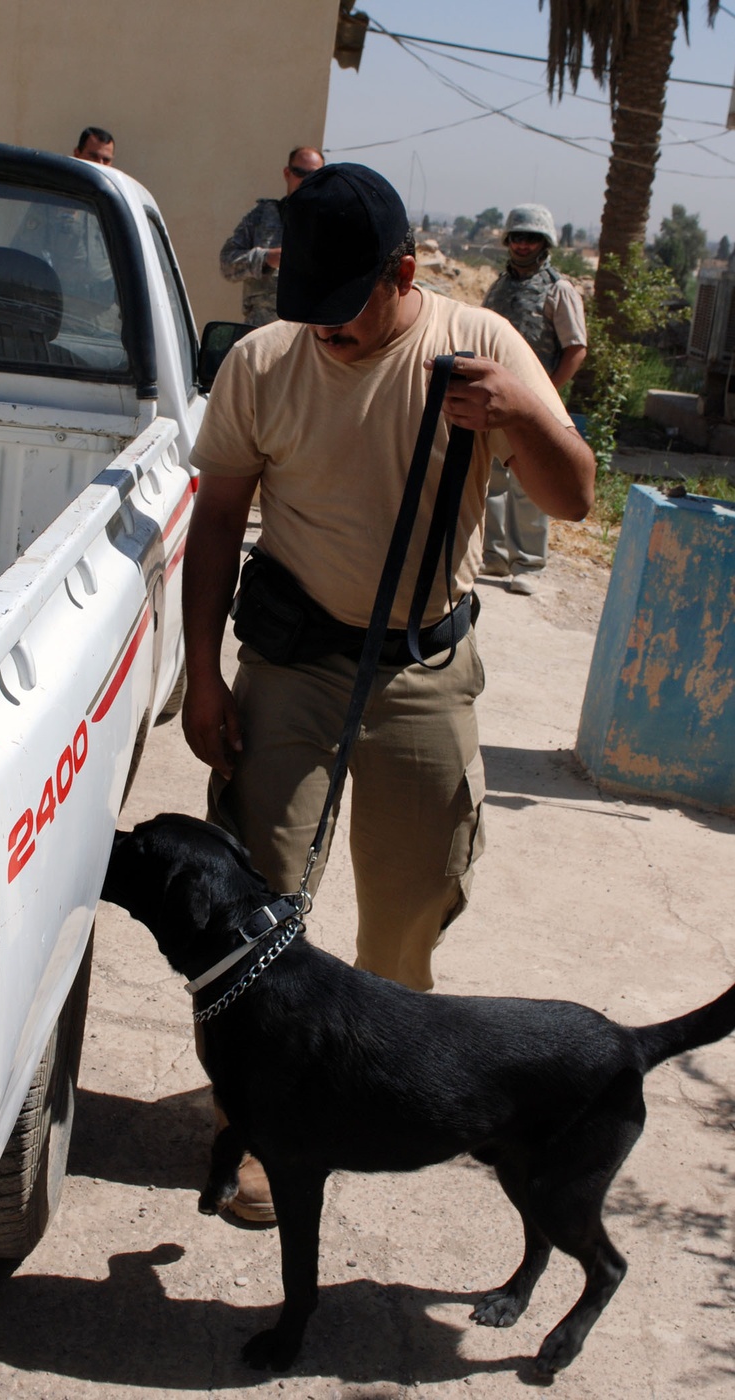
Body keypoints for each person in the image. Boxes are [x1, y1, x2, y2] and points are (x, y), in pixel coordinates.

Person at [182, 164, 594, 1220]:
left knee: (409, 908)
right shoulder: (265, 362)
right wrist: (200, 677)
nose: (321, 332)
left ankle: (368, 1085)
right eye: (302, 306)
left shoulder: (481, 349)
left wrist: (521, 418)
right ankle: (261, 1119)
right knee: (258, 897)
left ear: (402, 273)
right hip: (292, 663)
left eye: (341, 310)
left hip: (421, 669)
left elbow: (576, 497)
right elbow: (219, 522)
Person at [481, 205, 588, 594]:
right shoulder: (499, 285)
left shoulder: (558, 289)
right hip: (493, 401)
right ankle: (492, 555)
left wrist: (545, 396)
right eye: (517, 238)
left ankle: (527, 563)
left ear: (545, 244)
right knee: (490, 479)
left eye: (531, 239)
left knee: (529, 484)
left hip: (533, 405)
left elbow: (575, 348)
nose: (523, 245)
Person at [218, 146, 325, 325]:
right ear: (287, 173)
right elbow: (227, 264)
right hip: (260, 330)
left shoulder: (329, 225)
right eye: (299, 172)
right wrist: (266, 258)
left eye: (312, 176)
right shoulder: (261, 216)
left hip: (306, 333)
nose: (305, 180)